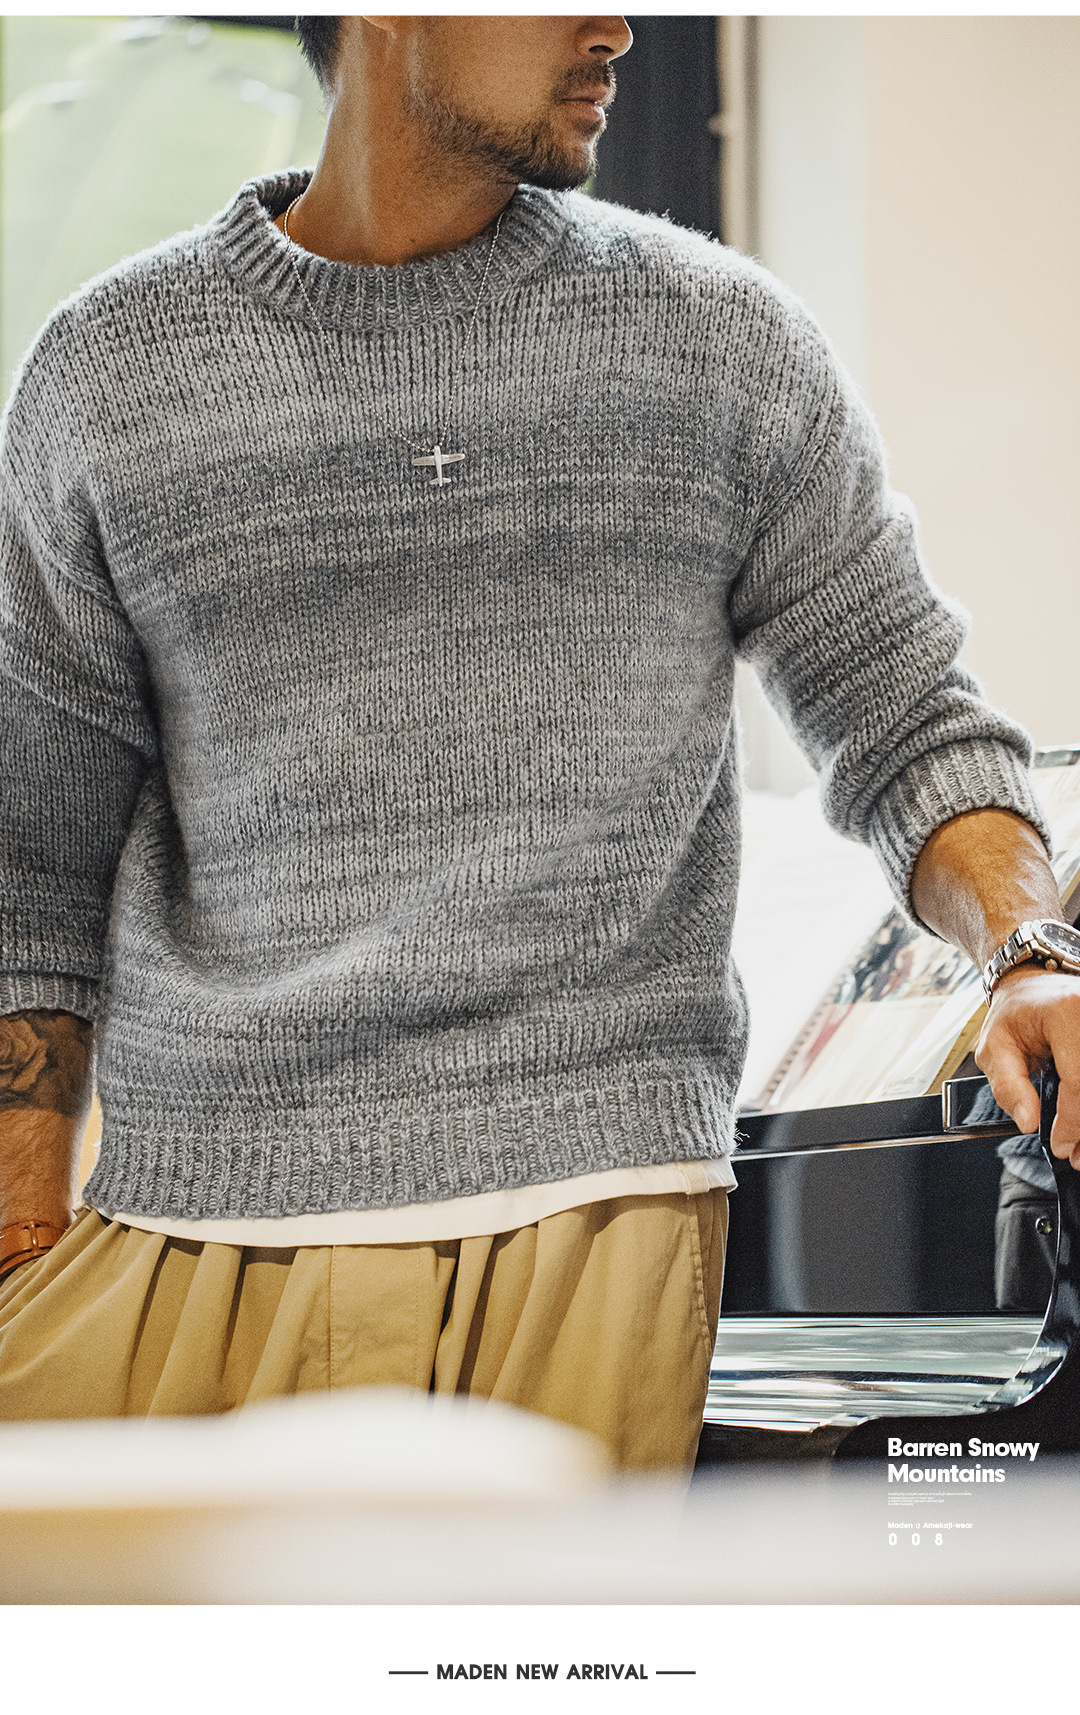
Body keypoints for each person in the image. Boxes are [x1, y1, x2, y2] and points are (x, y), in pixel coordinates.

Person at [1, 15, 1078, 1469]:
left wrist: (1029, 949)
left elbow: (908, 722)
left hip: (589, 1227)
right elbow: (35, 858)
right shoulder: (106, 371)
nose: (616, 25)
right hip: (180, 1233)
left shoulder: (720, 342)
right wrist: (23, 1234)